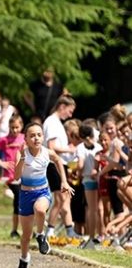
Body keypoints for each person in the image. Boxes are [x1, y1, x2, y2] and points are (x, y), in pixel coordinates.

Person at [13, 122, 73, 268]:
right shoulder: (21, 153)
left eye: (39, 135)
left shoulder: (47, 152)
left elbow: (59, 161)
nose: (36, 138)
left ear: (43, 137)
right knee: (25, 236)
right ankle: (24, 259)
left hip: (42, 192)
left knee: (40, 210)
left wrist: (64, 182)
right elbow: (16, 177)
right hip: (25, 194)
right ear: (25, 138)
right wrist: (22, 159)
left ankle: (40, 235)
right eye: (32, 135)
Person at [42, 95, 78, 238]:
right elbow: (52, 147)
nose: (70, 115)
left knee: (64, 197)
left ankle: (67, 230)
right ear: (62, 106)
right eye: (69, 111)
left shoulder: (56, 122)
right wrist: (69, 149)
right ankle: (54, 230)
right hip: (54, 164)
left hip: (59, 163)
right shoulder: (52, 122)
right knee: (61, 198)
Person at [0, 114, 25, 238]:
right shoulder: (4, 140)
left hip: (24, 175)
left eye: (17, 127)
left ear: (21, 126)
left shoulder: (24, 139)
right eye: (12, 127)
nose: (15, 130)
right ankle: (15, 230)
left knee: (24, 201)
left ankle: (27, 229)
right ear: (9, 127)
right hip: (10, 176)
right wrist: (1, 163)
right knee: (19, 199)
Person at [76, 124, 102, 249]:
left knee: (92, 209)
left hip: (88, 179)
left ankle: (92, 237)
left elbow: (80, 165)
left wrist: (77, 172)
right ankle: (101, 234)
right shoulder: (98, 146)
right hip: (100, 178)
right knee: (100, 208)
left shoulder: (80, 148)